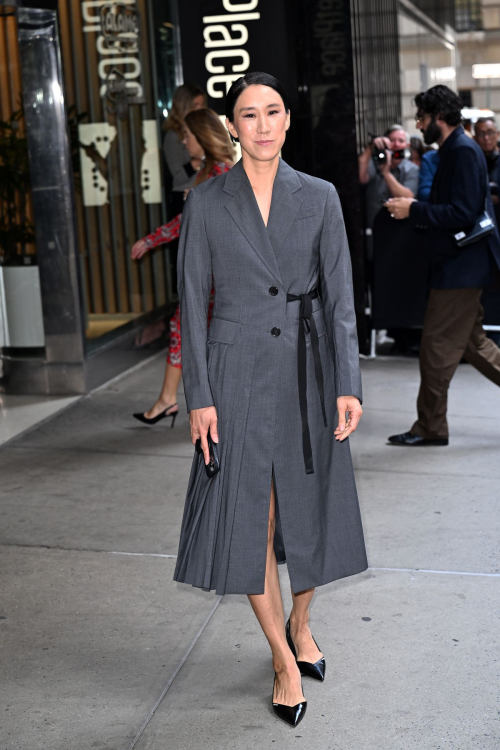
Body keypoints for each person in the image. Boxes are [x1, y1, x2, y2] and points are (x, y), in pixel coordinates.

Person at [173, 71, 367, 727]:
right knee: (249, 513)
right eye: (247, 114)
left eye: (272, 112)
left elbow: (341, 299)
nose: (260, 125)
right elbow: (190, 307)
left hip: (307, 369)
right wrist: (198, 395)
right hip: (233, 372)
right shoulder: (206, 202)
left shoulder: (319, 196)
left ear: (288, 121)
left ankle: (302, 618)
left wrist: (347, 382)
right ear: (233, 126)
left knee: (305, 510)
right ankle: (283, 657)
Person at [384, 85, 500, 446]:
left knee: (434, 349)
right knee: (474, 345)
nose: (418, 125)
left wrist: (413, 209)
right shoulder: (453, 150)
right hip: (460, 266)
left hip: (461, 268)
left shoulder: (462, 151)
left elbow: (464, 212)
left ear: (438, 116)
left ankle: (431, 427)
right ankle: (430, 425)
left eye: (421, 117)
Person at [131, 109, 235, 425]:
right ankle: (172, 400)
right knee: (190, 330)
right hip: (216, 271)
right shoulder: (213, 170)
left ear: (203, 138)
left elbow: (187, 222)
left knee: (187, 329)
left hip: (218, 273)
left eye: (188, 136)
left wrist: (150, 240)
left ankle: (171, 401)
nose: (184, 141)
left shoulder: (218, 172)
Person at [358, 124, 419, 229]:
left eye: (400, 141)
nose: (396, 144)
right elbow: (362, 177)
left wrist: (386, 172)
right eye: (392, 140)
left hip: (400, 227)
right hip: (375, 226)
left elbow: (407, 196)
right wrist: (370, 146)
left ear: (407, 145)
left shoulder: (411, 169)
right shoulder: (375, 163)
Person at [163, 83, 206, 217]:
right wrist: (199, 159)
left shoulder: (205, 130)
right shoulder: (173, 136)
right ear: (183, 107)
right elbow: (178, 177)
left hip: (203, 195)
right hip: (183, 198)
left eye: (202, 104)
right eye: (195, 105)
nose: (200, 109)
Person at [474, 117, 500, 228]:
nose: (486, 138)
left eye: (490, 133)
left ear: (497, 134)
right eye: (481, 134)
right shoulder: (472, 164)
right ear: (475, 138)